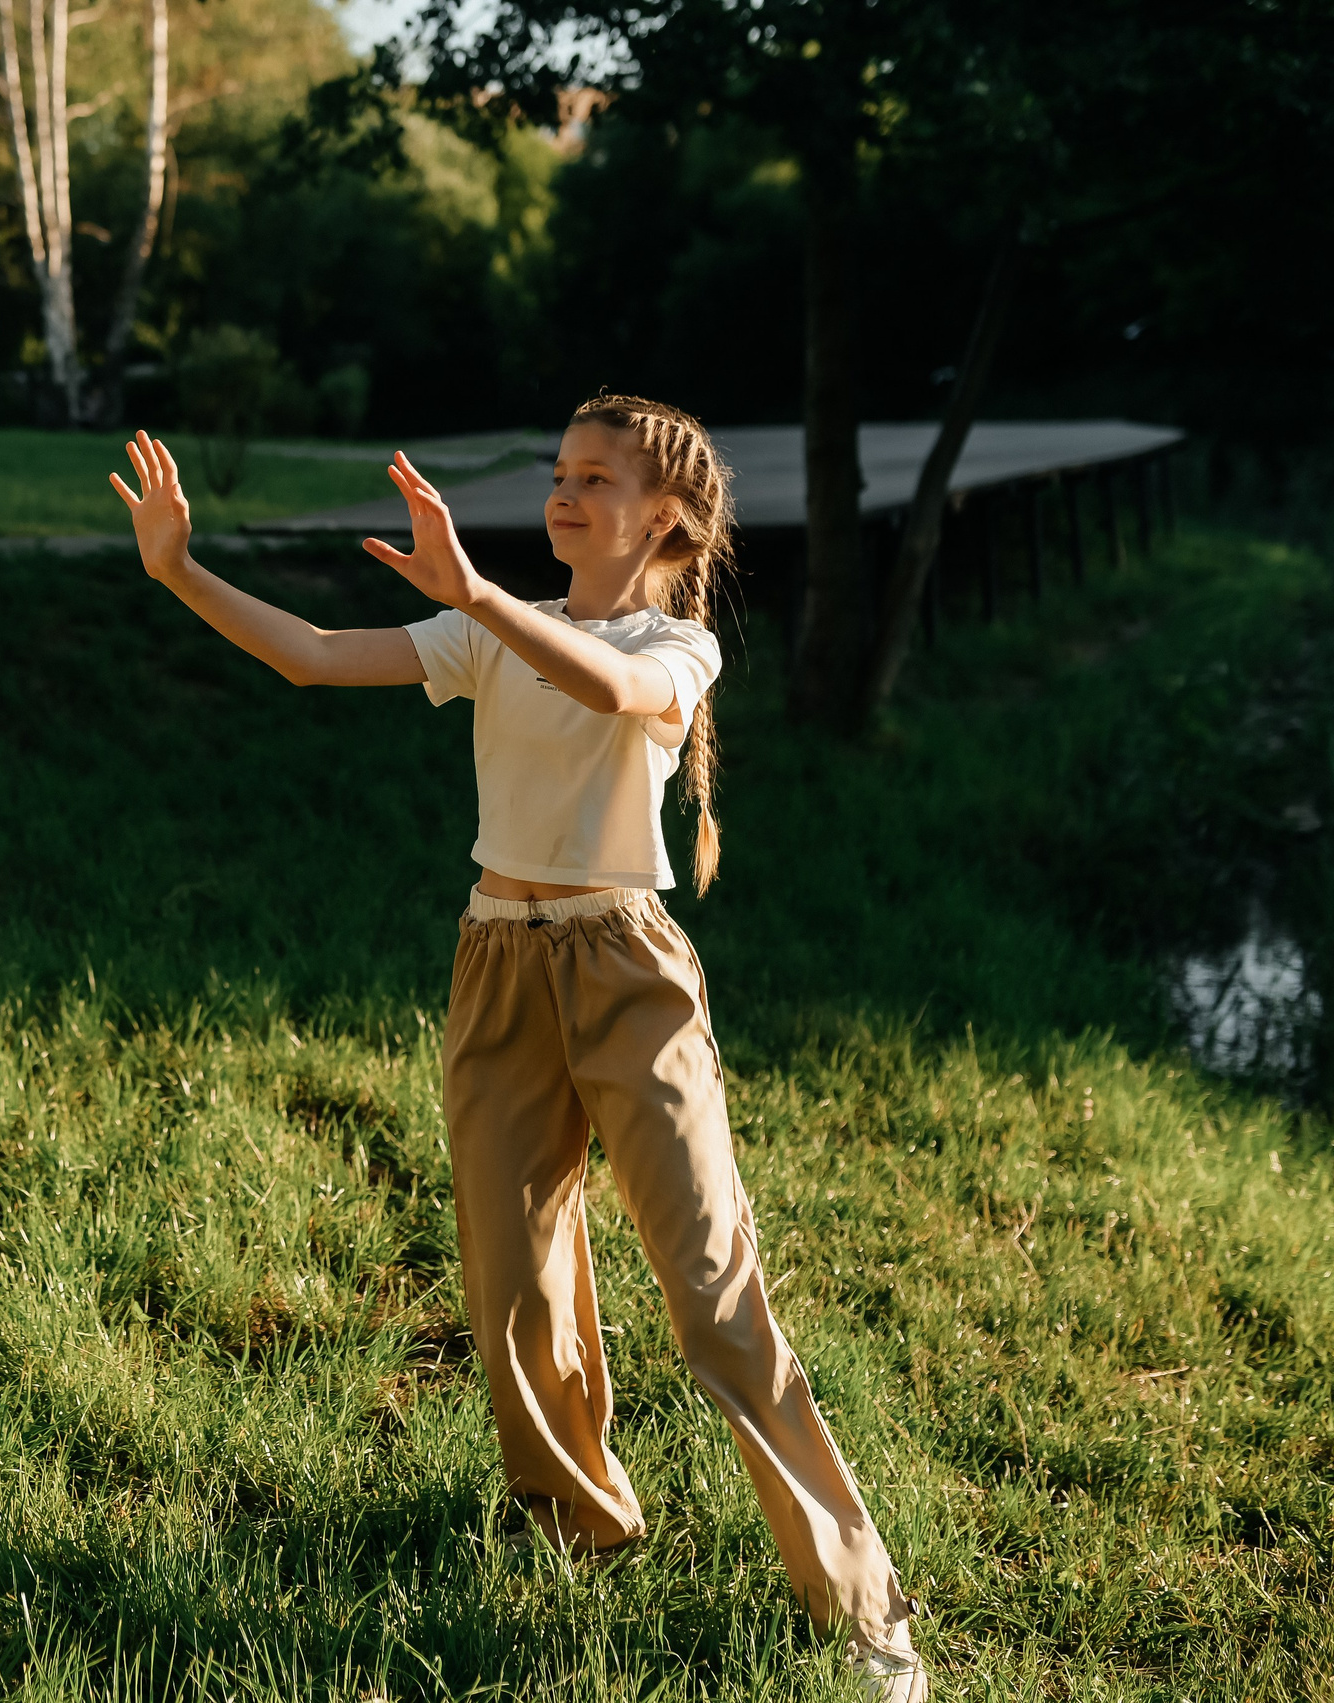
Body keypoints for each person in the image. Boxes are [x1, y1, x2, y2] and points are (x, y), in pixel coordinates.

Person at [108, 400, 930, 1703]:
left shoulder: (674, 641)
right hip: (496, 961)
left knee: (712, 1292)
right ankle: (578, 1522)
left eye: (593, 475)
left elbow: (606, 685)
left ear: (667, 515)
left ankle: (861, 1596)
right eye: (558, 470)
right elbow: (319, 655)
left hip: (623, 970)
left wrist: (481, 594)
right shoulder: (489, 630)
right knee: (514, 1272)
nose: (564, 488)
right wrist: (180, 569)